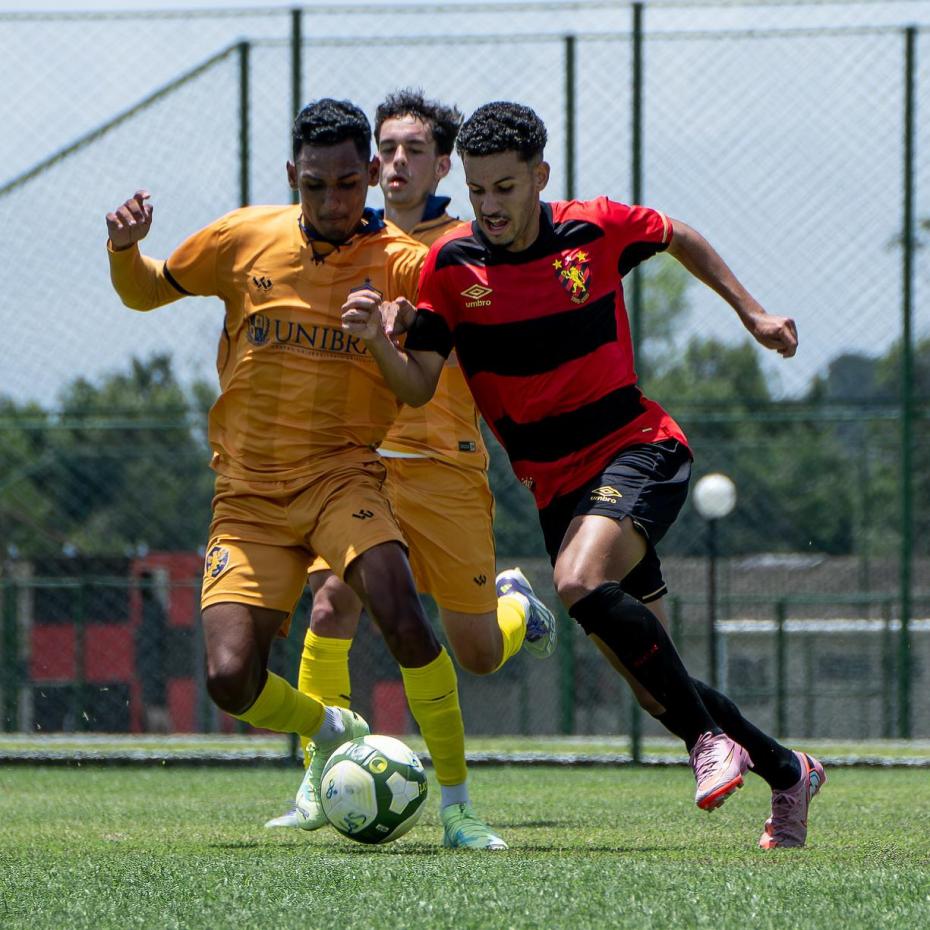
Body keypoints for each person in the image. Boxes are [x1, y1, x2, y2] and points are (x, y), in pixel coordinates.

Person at [341, 101, 826, 850]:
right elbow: (416, 384)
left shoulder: (592, 229)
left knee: (573, 581)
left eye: (506, 188)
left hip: (638, 448)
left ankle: (710, 745)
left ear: (539, 175)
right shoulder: (452, 268)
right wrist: (379, 340)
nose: (490, 206)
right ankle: (788, 771)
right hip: (554, 486)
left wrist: (752, 315)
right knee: (655, 680)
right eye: (477, 192)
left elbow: (677, 234)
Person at [105, 98, 506, 850]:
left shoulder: (401, 262)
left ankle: (457, 808)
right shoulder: (242, 237)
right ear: (293, 174)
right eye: (316, 184)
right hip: (247, 499)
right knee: (230, 678)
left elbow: (444, 345)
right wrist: (125, 250)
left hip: (341, 482)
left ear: (369, 180)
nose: (332, 201)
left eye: (349, 184)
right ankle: (331, 725)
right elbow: (146, 289)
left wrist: (405, 332)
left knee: (399, 607)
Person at [264, 89, 557, 844]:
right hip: (356, 466)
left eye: (414, 150)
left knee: (478, 653)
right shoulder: (334, 240)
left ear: (441, 164)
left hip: (444, 463)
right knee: (331, 606)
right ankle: (320, 776)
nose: (398, 161)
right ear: (369, 165)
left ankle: (518, 604)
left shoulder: (465, 245)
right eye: (386, 149)